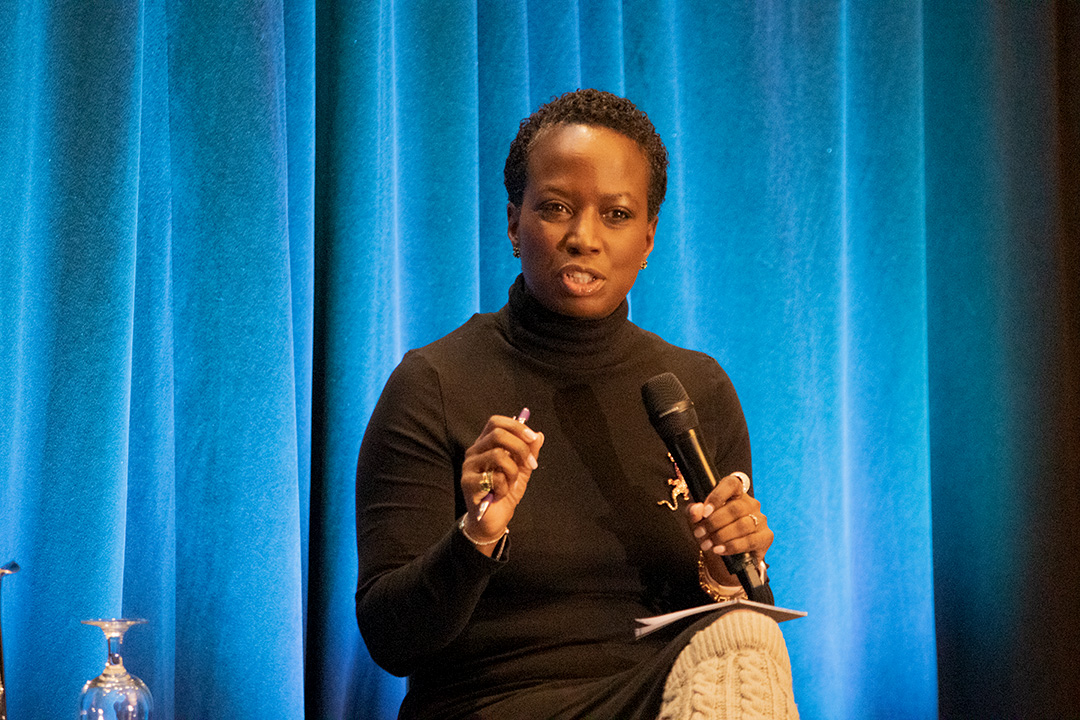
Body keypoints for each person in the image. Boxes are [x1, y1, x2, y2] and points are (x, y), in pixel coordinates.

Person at [356, 88, 797, 719]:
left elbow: (739, 655)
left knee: (748, 635)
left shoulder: (695, 389)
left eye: (616, 216)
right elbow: (390, 638)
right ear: (514, 223)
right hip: (494, 704)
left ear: (648, 238)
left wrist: (723, 573)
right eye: (557, 208)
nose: (583, 237)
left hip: (658, 701)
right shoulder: (436, 382)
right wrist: (477, 533)